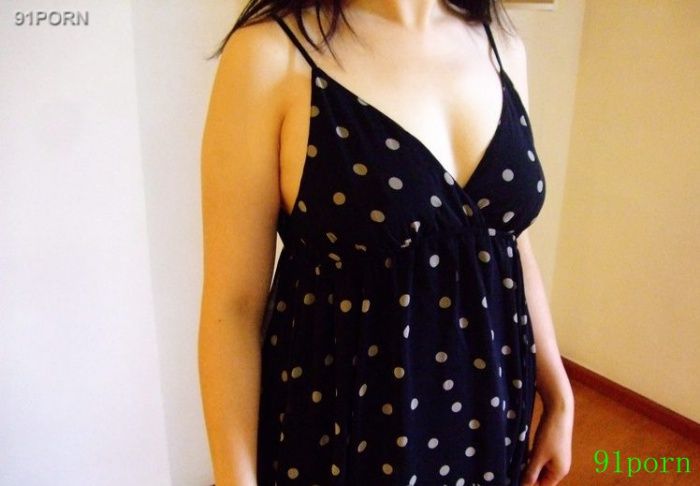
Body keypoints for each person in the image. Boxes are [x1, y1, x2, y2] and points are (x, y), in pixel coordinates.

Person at [199, 1, 574, 485]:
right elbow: (233, 308)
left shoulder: (502, 45)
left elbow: (512, 246)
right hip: (347, 432)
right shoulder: (271, 54)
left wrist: (559, 394)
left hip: (490, 412)